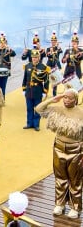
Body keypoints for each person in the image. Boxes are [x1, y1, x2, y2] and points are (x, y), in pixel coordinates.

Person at [35, 89, 83, 219]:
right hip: (59, 148)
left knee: (75, 180)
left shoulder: (81, 113)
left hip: (76, 150)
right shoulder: (57, 109)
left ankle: (75, 207)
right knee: (60, 178)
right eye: (65, 97)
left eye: (69, 98)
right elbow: (38, 109)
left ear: (75, 99)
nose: (66, 100)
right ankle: (59, 204)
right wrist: (54, 99)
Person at [22, 49, 50, 131]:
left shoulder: (44, 67)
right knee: (29, 108)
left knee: (38, 109)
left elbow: (47, 81)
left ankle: (36, 124)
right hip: (29, 91)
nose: (34, 59)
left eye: (36, 57)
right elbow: (24, 79)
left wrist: (45, 91)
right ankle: (29, 123)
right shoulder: (27, 66)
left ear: (39, 57)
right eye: (33, 57)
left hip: (38, 90)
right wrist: (24, 89)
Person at [45, 31, 63, 96]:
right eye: (52, 41)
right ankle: (45, 92)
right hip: (49, 64)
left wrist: (57, 47)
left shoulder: (58, 48)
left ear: (56, 41)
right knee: (47, 79)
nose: (53, 42)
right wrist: (50, 52)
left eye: (54, 41)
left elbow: (61, 51)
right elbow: (47, 55)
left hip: (55, 65)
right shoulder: (48, 48)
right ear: (51, 41)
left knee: (55, 80)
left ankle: (54, 94)